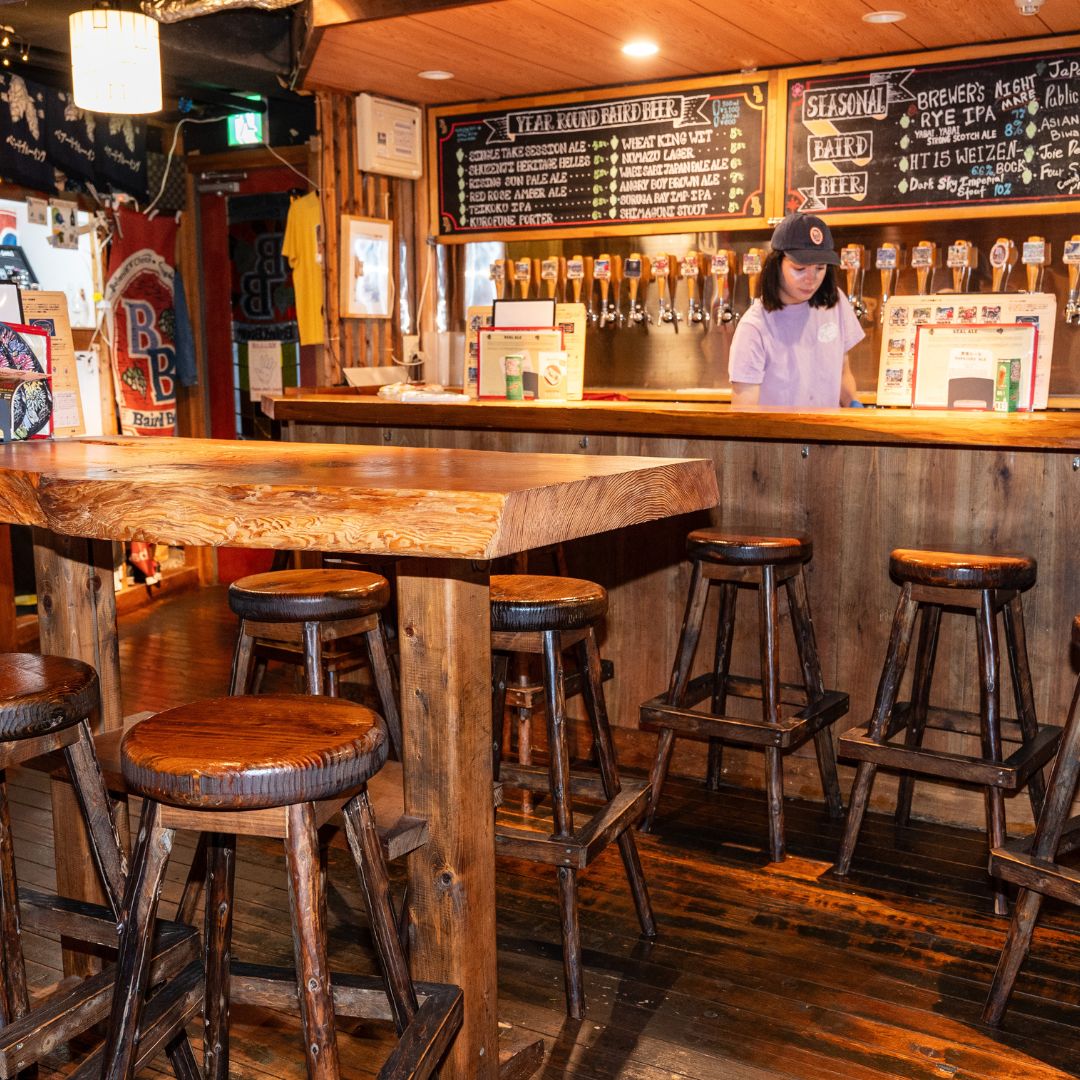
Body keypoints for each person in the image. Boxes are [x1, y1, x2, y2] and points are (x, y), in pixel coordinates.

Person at [729, 214, 864, 408]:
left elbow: (842, 372)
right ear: (776, 264)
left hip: (829, 433)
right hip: (780, 436)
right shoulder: (754, 326)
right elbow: (744, 410)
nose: (811, 279)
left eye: (820, 268)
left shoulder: (835, 302)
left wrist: (853, 404)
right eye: (800, 269)